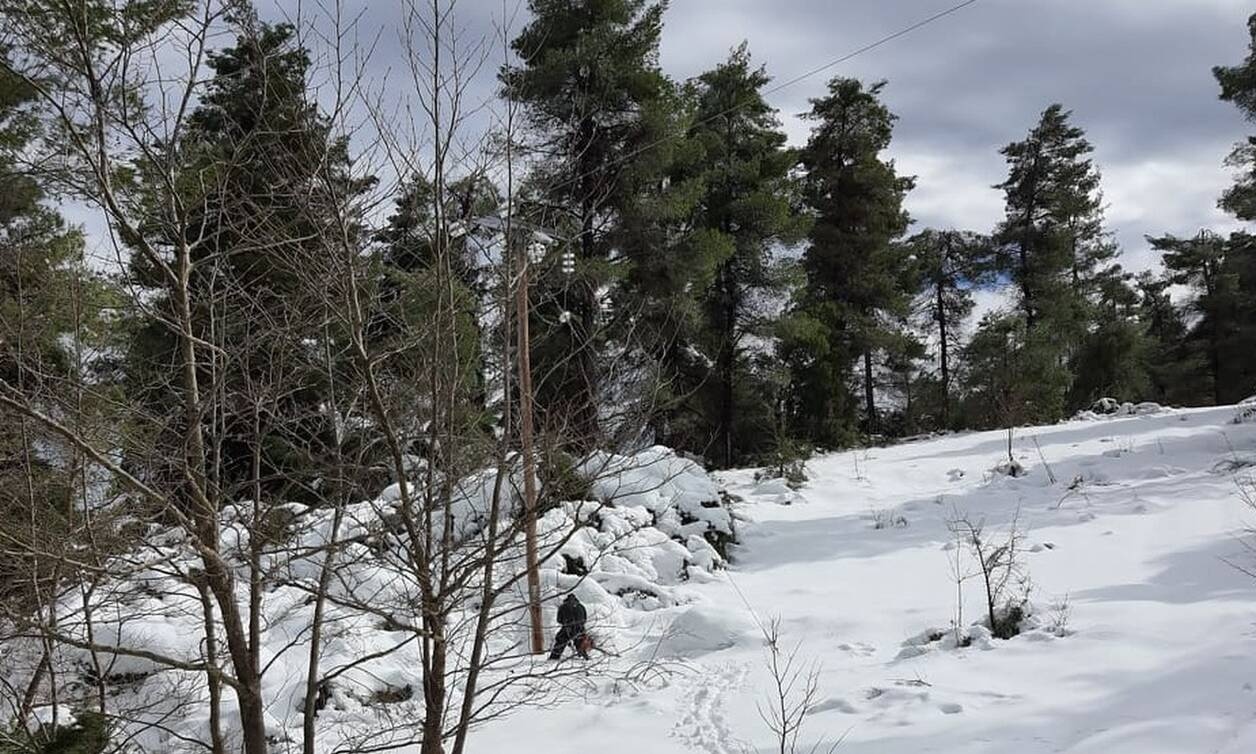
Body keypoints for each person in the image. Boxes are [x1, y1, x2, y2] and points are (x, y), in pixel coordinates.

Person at [549, 594, 589, 660]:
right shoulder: (581, 607)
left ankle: (554, 657)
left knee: (560, 641)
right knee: (580, 643)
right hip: (579, 628)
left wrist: (565, 623)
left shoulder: (563, 607)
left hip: (567, 628)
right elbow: (585, 619)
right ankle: (584, 657)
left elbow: (559, 620)